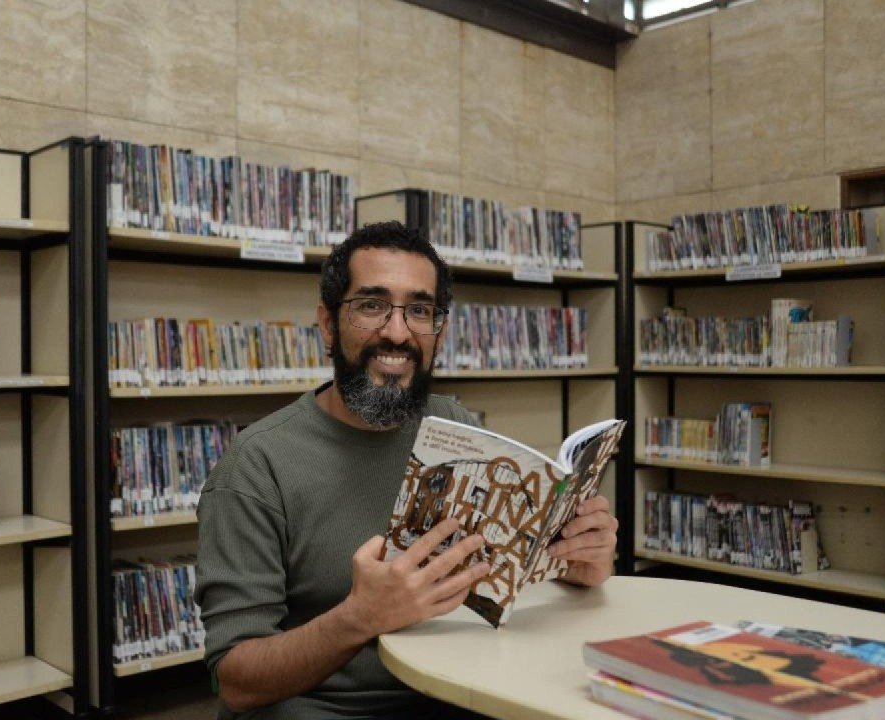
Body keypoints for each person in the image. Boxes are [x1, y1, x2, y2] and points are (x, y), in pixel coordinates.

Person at [194, 221, 619, 720]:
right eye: (371, 305)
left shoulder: (455, 427)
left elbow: (503, 578)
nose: (397, 334)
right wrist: (359, 618)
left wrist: (578, 566)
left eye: (419, 311)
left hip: (456, 691)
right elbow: (236, 681)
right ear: (328, 324)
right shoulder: (255, 466)